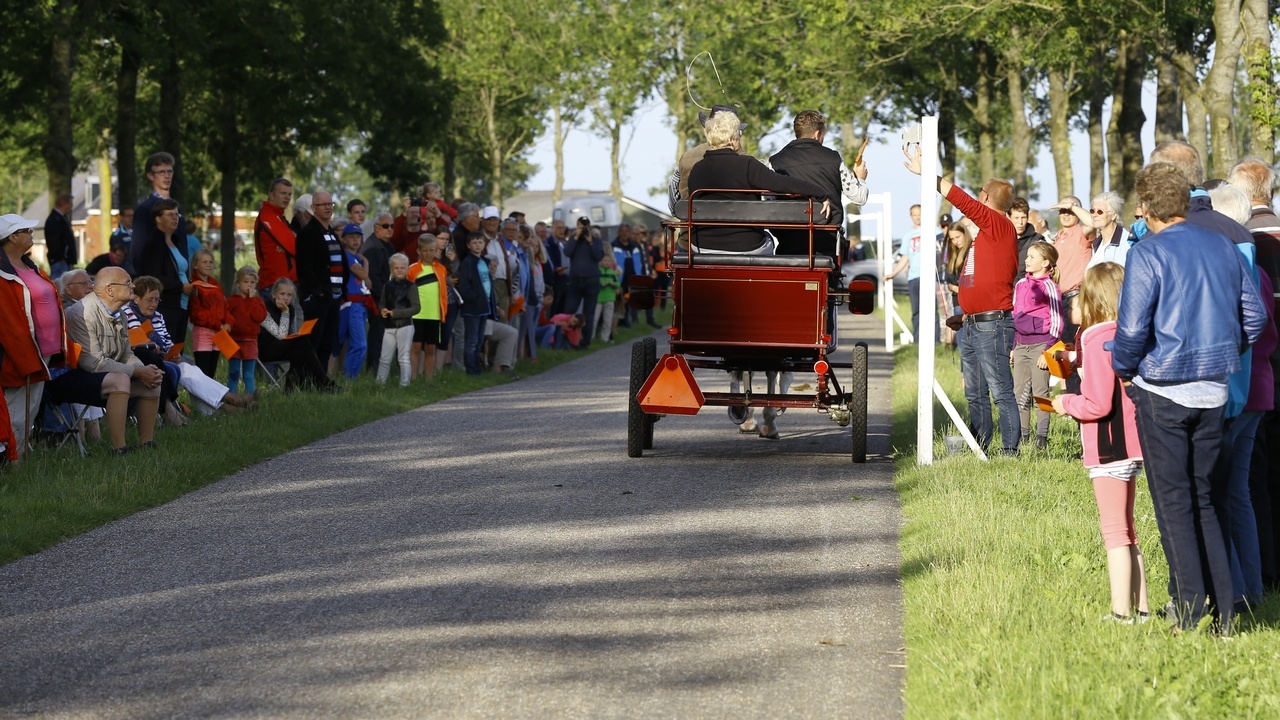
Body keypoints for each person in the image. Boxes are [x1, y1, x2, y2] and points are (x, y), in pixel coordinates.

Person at [1111, 161, 1267, 633]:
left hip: (1163, 389)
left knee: (1174, 505)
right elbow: (1255, 318)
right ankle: (1224, 614)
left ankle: (1189, 612)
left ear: (1146, 206)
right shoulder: (1223, 245)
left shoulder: (1148, 253)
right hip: (1214, 390)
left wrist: (1125, 370)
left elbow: (1131, 331)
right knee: (1206, 500)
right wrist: (1225, 353)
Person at [904, 144, 1020, 455]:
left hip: (992, 324)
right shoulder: (988, 232)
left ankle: (1011, 452)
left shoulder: (997, 223)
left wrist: (928, 175)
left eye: (981, 191)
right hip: (973, 323)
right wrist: (966, 313)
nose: (977, 196)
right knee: (975, 393)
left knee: (1000, 391)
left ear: (986, 197)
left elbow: (961, 200)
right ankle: (979, 446)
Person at [1052, 262, 1150, 623]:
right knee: (1129, 531)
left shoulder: (1094, 338)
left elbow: (1096, 404)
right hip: (1133, 443)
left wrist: (1066, 403)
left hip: (1108, 447)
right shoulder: (1130, 332)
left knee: (1114, 533)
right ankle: (1142, 609)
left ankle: (1121, 613)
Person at [686, 109, 833, 254]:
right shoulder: (747, 165)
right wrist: (819, 193)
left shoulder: (697, 169)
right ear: (731, 139)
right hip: (746, 246)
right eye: (738, 134)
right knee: (768, 240)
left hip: (701, 246)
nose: (739, 137)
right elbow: (783, 183)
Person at [51, 267, 162, 454]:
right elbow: (92, 363)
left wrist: (144, 371)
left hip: (100, 374)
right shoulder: (81, 313)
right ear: (110, 290)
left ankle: (146, 444)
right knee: (121, 380)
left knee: (152, 383)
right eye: (128, 283)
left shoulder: (120, 314)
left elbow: (126, 354)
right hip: (68, 377)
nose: (133, 286)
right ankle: (118, 449)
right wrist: (137, 372)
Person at [124, 276, 256, 421]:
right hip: (142, 361)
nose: (154, 304)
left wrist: (173, 353)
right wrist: (156, 348)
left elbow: (167, 342)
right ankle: (230, 400)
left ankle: (224, 408)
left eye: (157, 300)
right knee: (187, 372)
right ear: (136, 299)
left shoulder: (158, 316)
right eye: (150, 300)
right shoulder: (127, 314)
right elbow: (137, 342)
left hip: (162, 358)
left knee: (191, 370)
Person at [0, 214, 64, 462]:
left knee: (31, 407)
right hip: (20, 352)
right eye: (26, 230)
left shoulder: (31, 266)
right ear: (12, 237)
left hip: (44, 349)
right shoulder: (3, 273)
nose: (31, 234)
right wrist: (22, 354)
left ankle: (22, 454)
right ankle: (12, 460)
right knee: (16, 409)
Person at [768, 109, 869, 260]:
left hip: (788, 243)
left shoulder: (775, 162)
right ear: (817, 134)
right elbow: (860, 197)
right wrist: (860, 178)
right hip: (827, 244)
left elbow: (769, 204)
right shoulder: (833, 158)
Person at [1011, 241, 1063, 450]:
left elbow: (1057, 321)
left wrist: (1047, 351)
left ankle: (1041, 438)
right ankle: (1023, 436)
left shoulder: (1050, 287)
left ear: (1045, 263)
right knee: (1019, 393)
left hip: (1041, 345)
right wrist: (1014, 345)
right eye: (1027, 256)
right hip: (1021, 346)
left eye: (1032, 257)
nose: (1027, 260)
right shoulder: (1020, 284)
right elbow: (1015, 315)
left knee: (1040, 393)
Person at [257, 278, 342, 392]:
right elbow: (281, 335)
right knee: (302, 342)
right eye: (282, 294)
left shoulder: (290, 308)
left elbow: (290, 334)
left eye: (289, 295)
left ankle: (291, 390)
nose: (286, 298)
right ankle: (324, 383)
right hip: (264, 350)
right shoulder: (264, 309)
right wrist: (285, 313)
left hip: (281, 347)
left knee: (299, 351)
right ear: (273, 294)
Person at [295, 190, 347, 373]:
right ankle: (307, 380)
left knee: (327, 343)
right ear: (313, 208)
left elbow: (341, 262)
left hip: (334, 297)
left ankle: (321, 380)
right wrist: (319, 291)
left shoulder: (331, 233)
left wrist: (341, 290)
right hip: (318, 298)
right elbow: (304, 267)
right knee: (314, 341)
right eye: (323, 204)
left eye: (330, 204)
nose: (327, 207)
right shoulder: (308, 233)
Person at [457, 231, 519, 376]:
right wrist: (475, 299)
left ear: (484, 244)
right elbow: (464, 287)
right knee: (471, 341)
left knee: (479, 340)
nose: (477, 245)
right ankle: (471, 371)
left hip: (484, 307)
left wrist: (491, 305)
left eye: (480, 242)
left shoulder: (484, 262)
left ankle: (477, 369)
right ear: (468, 245)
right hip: (472, 308)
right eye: (474, 242)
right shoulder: (467, 263)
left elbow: (488, 284)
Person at [135, 199, 192, 342]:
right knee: (167, 349)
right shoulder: (154, 244)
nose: (175, 218)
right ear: (158, 219)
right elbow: (154, 277)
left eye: (177, 215)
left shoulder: (176, 241)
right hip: (165, 306)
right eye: (170, 214)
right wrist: (181, 286)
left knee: (177, 349)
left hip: (182, 305)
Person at [130, 152, 180, 272]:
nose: (166, 176)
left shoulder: (178, 208)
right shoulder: (145, 209)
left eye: (169, 171)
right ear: (150, 176)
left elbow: (182, 243)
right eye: (161, 172)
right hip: (156, 277)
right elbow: (138, 250)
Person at [187, 248, 233, 379]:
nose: (208, 265)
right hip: (203, 333)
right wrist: (218, 324)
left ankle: (211, 394)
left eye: (211, 262)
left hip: (218, 333)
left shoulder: (216, 285)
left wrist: (228, 323)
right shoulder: (194, 285)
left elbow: (225, 306)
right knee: (203, 373)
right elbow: (197, 314)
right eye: (204, 262)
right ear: (195, 265)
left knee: (211, 373)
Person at [560, 217, 605, 347]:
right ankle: (565, 340)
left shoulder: (596, 240)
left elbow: (599, 256)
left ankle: (585, 341)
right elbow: (567, 252)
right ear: (577, 226)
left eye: (585, 226)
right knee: (569, 311)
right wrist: (575, 236)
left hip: (591, 280)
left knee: (589, 313)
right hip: (575, 281)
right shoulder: (573, 240)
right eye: (581, 226)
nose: (583, 228)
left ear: (589, 226)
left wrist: (590, 242)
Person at [377, 253, 420, 387]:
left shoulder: (411, 286)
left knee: (403, 357)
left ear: (407, 269)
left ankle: (404, 384)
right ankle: (379, 384)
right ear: (391, 269)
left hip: (405, 326)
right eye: (396, 268)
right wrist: (382, 310)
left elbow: (416, 307)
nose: (400, 270)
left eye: (402, 267)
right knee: (384, 358)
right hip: (389, 326)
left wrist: (396, 313)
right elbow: (382, 303)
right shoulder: (387, 286)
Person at [360, 213, 396, 372]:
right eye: (385, 226)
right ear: (376, 228)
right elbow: (373, 278)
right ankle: (372, 370)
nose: (390, 229)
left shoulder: (387, 245)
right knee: (377, 335)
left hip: (385, 297)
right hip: (377, 300)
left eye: (392, 226)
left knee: (384, 335)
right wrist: (386, 297)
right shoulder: (372, 247)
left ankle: (381, 370)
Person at [408, 234, 446, 381]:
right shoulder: (412, 269)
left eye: (431, 250)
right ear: (419, 251)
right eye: (425, 250)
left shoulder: (441, 269)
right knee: (415, 347)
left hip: (434, 314)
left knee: (430, 348)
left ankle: (428, 380)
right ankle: (413, 378)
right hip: (417, 314)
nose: (428, 253)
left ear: (436, 250)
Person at [885, 204, 924, 341]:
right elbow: (905, 257)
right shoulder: (908, 235)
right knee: (916, 310)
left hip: (929, 277)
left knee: (931, 311)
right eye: (915, 214)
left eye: (920, 214)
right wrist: (893, 274)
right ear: (911, 216)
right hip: (913, 277)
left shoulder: (934, 231)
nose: (918, 217)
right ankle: (917, 340)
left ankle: (935, 341)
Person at [336, 223, 370, 379]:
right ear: (343, 239)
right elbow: (364, 276)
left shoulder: (357, 258)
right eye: (351, 237)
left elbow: (369, 284)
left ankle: (348, 379)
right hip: (352, 304)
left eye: (358, 237)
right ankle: (350, 378)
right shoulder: (347, 256)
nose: (356, 240)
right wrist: (366, 263)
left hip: (361, 303)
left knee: (354, 344)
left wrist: (364, 269)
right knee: (360, 345)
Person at [226, 267, 266, 396]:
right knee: (234, 373)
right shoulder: (232, 301)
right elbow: (226, 317)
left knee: (249, 375)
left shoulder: (258, 301)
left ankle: (250, 399)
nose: (249, 285)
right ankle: (232, 398)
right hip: (234, 342)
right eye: (246, 281)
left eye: (252, 282)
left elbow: (260, 317)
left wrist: (252, 300)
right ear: (238, 283)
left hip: (250, 341)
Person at [253, 177, 297, 292]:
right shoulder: (268, 216)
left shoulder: (278, 217)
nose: (287, 197)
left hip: (282, 284)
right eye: (283, 193)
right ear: (272, 195)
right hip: (275, 285)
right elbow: (294, 246)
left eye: (289, 194)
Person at [1085, 192, 1132, 269]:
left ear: (1114, 216)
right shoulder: (1096, 244)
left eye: (1100, 212)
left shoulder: (1127, 242)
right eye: (1092, 211)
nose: (1095, 215)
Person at [1009, 198, 1043, 281]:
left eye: (1023, 218)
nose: (1020, 222)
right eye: (1016, 218)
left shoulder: (1037, 240)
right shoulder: (1001, 240)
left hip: (1028, 286)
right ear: (1009, 218)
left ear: (1027, 218)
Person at [44, 193, 76, 279]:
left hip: (62, 260)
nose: (71, 208)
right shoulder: (55, 220)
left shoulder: (60, 219)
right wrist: (60, 257)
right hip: (60, 261)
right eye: (70, 205)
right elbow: (53, 240)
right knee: (60, 282)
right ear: (65, 204)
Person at [594, 253, 619, 343]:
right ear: (600, 261)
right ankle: (591, 337)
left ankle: (605, 338)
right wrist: (601, 284)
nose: (606, 262)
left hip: (609, 297)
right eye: (604, 260)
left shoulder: (613, 272)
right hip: (598, 298)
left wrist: (613, 284)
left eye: (608, 261)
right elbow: (594, 282)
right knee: (594, 319)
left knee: (607, 320)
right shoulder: (597, 271)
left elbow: (617, 284)